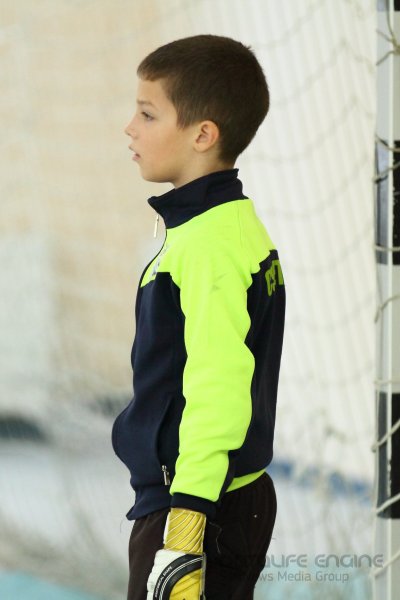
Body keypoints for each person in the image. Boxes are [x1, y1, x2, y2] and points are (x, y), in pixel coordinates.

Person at [112, 34, 286, 600]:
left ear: (202, 134)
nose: (129, 128)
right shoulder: (217, 225)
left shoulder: (210, 245)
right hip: (212, 499)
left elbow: (218, 389)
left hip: (201, 509)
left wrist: (185, 526)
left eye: (147, 113)